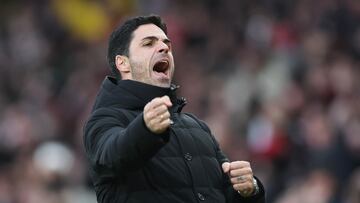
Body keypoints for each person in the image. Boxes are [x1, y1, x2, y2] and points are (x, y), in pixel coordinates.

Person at [83, 15, 265, 203]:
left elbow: (223, 194)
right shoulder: (104, 118)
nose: (164, 48)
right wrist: (146, 129)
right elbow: (112, 158)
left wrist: (250, 190)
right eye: (148, 44)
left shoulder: (197, 127)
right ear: (123, 63)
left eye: (166, 43)